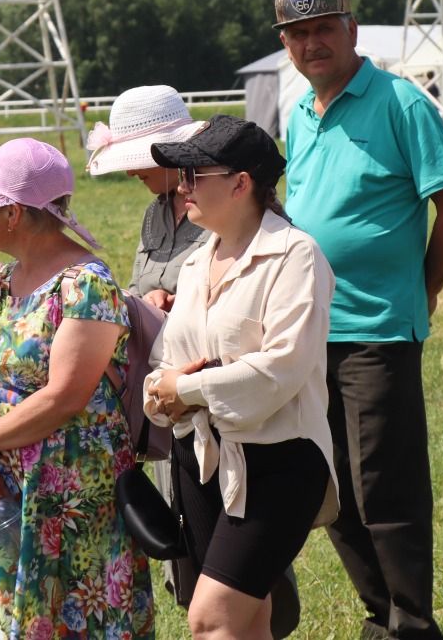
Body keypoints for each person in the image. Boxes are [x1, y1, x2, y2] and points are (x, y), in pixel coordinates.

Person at [274, 0, 443, 640]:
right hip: (310, 331)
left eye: (324, 28)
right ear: (285, 43)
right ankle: (380, 615)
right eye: (299, 34)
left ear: (351, 28)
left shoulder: (400, 104)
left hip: (379, 329)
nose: (313, 43)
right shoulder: (299, 113)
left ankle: (412, 625)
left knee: (383, 488)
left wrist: (426, 285)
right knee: (330, 486)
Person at [0, 138, 154, 640]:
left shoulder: (87, 285)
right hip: (2, 488)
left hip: (68, 492)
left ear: (13, 212)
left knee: (73, 615)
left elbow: (66, 396)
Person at [143, 116, 338, 640]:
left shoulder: (297, 255)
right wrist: (162, 396)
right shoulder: (194, 263)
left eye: (192, 174)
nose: (181, 187)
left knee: (211, 619)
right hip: (201, 460)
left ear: (241, 182)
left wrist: (183, 390)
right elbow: (164, 361)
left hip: (280, 463)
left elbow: (282, 367)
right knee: (251, 622)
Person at [85, 84, 208, 312]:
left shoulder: (219, 207)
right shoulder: (154, 213)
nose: (130, 172)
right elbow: (136, 288)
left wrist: (174, 301)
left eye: (136, 160)